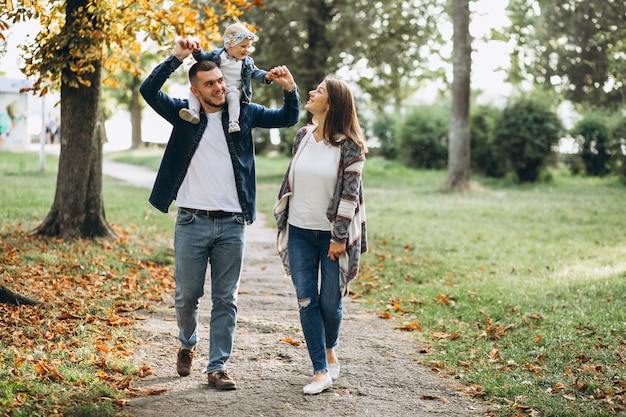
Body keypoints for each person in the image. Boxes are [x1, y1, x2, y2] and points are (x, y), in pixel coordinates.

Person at [140, 38, 300, 390]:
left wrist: (290, 89)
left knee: (226, 298)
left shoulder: (243, 114)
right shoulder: (184, 114)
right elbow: (148, 90)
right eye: (209, 83)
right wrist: (176, 58)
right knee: (186, 297)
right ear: (195, 90)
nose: (219, 87)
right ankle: (187, 343)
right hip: (191, 221)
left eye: (221, 81)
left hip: (231, 223)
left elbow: (289, 118)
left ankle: (217, 367)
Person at [273, 77, 368, 395]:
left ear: (333, 103)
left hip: (331, 236)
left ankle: (330, 348)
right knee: (306, 300)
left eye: (319, 91)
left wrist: (339, 238)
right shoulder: (302, 136)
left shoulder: (350, 145)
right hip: (299, 231)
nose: (311, 94)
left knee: (330, 302)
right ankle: (320, 369)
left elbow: (349, 196)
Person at [179, 22, 271, 133]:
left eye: (248, 47)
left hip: (232, 90)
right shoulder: (218, 55)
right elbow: (203, 58)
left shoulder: (247, 63)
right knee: (195, 91)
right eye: (243, 46)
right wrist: (198, 51)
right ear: (230, 45)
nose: (247, 50)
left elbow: (255, 73)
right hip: (215, 88)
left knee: (233, 98)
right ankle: (193, 112)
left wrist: (266, 76)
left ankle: (233, 122)